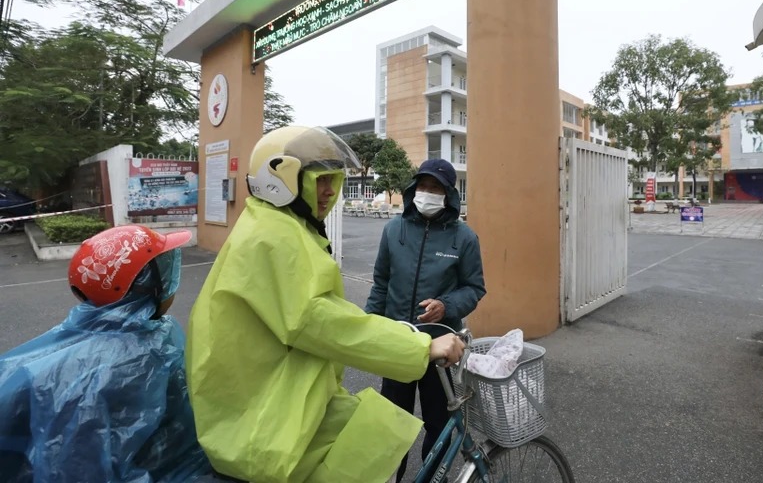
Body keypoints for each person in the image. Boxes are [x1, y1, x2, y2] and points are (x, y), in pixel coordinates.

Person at [185, 126, 465, 483]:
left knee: (386, 429)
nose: (330, 191)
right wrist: (417, 345)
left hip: (268, 397)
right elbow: (318, 319)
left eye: (333, 180)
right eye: (320, 180)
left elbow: (473, 286)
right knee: (378, 433)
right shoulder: (275, 237)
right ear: (281, 180)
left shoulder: (277, 226)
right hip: (262, 416)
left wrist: (441, 311)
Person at [0, 225, 211, 482]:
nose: (173, 278)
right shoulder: (129, 360)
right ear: (150, 286)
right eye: (167, 270)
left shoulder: (144, 336)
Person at [365, 158, 486, 482]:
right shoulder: (394, 230)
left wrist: (446, 306)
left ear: (447, 194)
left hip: (442, 348)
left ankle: (435, 477)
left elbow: (475, 288)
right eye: (422, 186)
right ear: (412, 189)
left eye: (435, 188)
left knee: (439, 424)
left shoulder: (464, 238)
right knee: (393, 423)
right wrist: (366, 329)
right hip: (399, 343)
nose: (427, 193)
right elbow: (381, 284)